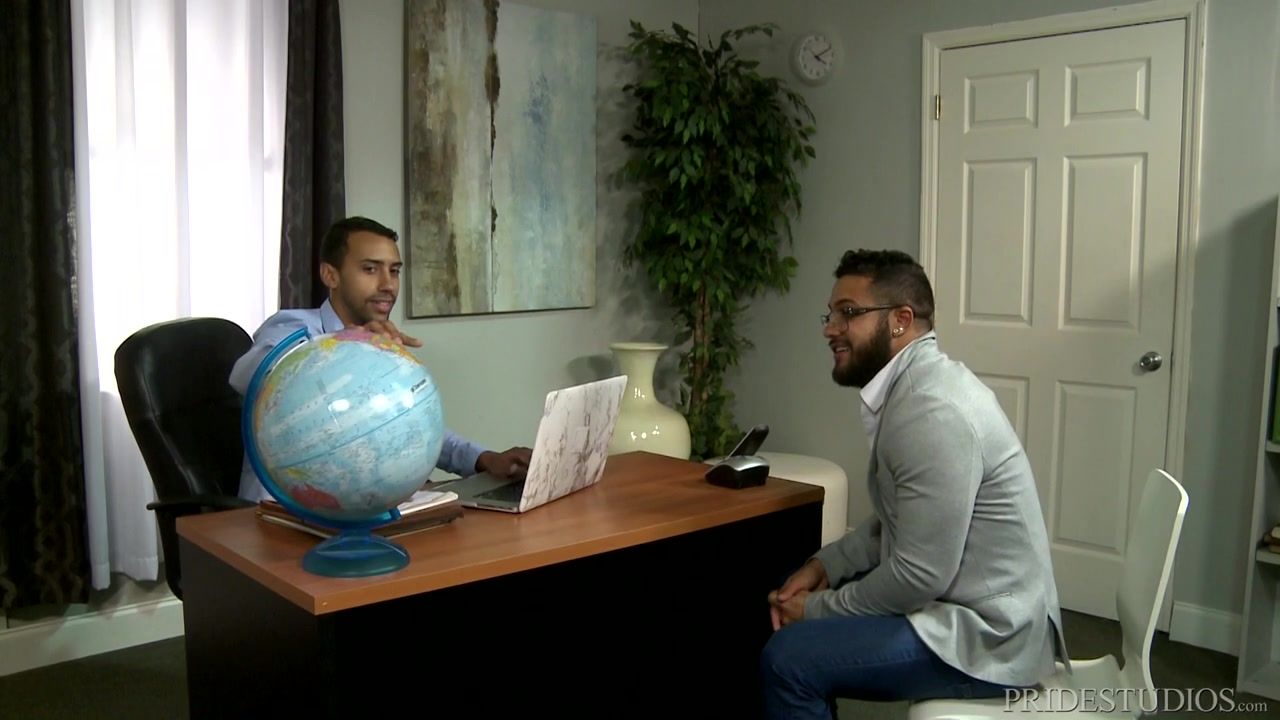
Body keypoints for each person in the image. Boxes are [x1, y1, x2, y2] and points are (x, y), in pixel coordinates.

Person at [760, 249, 1068, 717]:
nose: (830, 329)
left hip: (993, 636)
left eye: (848, 313)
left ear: (900, 320)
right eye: (831, 314)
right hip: (962, 603)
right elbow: (899, 519)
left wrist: (818, 609)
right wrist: (827, 565)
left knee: (788, 660)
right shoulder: (917, 387)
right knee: (799, 584)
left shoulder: (931, 410)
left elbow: (919, 576)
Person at [229, 216, 531, 503]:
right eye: (370, 269)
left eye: (394, 271)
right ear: (330, 275)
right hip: (281, 516)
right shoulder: (292, 326)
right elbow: (244, 376)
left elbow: (406, 426)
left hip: (360, 512)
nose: (388, 285)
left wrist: (483, 459)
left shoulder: (379, 344)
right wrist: (345, 343)